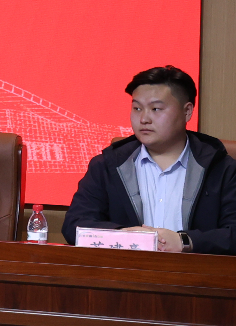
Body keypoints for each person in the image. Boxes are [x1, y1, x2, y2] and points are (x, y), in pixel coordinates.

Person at [64, 66, 236, 254]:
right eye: (137, 108)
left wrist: (184, 241)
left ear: (187, 111)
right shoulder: (107, 165)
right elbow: (75, 225)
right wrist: (124, 237)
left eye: (156, 109)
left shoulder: (222, 169)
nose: (144, 119)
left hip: (195, 272)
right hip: (125, 269)